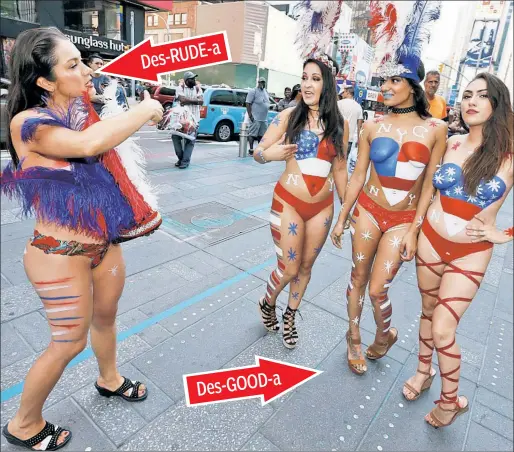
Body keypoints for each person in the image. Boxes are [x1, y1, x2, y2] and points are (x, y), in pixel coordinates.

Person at [1, 27, 163, 451]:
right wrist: (145, 110)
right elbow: (88, 144)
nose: (87, 71)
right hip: (58, 255)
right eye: (72, 65)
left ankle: (108, 379)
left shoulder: (80, 110)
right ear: (44, 81)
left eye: (83, 61)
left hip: (104, 247)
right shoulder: (28, 123)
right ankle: (23, 423)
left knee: (106, 319)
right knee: (67, 342)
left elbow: (105, 149)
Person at [331, 1, 445, 375]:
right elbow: (358, 174)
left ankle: (384, 333)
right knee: (357, 278)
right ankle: (353, 338)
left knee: (379, 287)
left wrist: (415, 230)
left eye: (395, 80)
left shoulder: (436, 130)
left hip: (402, 220)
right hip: (367, 210)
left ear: (412, 86)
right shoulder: (371, 126)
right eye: (384, 80)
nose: (386, 86)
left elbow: (430, 184)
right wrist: (342, 216)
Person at [402, 72, 513, 428]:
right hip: (430, 243)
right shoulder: (451, 143)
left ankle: (450, 402)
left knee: (444, 329)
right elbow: (427, 192)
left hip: (470, 253)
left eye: (481, 96)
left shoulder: (509, 156)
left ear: (497, 104)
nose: (471, 102)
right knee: (427, 312)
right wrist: (412, 230)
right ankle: (423, 371)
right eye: (466, 95)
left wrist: (505, 232)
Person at [254, 55, 349, 349]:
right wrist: (270, 155)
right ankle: (267, 302)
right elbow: (258, 152)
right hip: (289, 203)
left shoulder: (339, 124)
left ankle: (290, 314)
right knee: (289, 268)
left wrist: (346, 211)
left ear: (327, 84)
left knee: (305, 268)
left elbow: (341, 168)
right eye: (304, 77)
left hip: (322, 209)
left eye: (315, 79)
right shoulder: (288, 116)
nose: (307, 84)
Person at [173, 71, 203, 169]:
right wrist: (195, 101)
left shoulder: (198, 88)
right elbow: (182, 100)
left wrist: (187, 101)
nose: (194, 80)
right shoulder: (180, 88)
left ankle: (185, 162)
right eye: (192, 79)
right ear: (186, 80)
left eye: (194, 78)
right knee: (175, 137)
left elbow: (201, 101)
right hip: (181, 120)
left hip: (194, 120)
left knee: (190, 141)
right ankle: (181, 158)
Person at [246, 76, 270, 155]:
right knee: (252, 134)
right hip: (255, 117)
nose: (262, 84)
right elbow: (248, 103)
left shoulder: (265, 91)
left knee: (262, 135)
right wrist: (250, 115)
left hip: (264, 118)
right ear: (258, 83)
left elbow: (266, 102)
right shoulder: (253, 91)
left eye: (263, 82)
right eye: (261, 82)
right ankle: (251, 149)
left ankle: (259, 149)